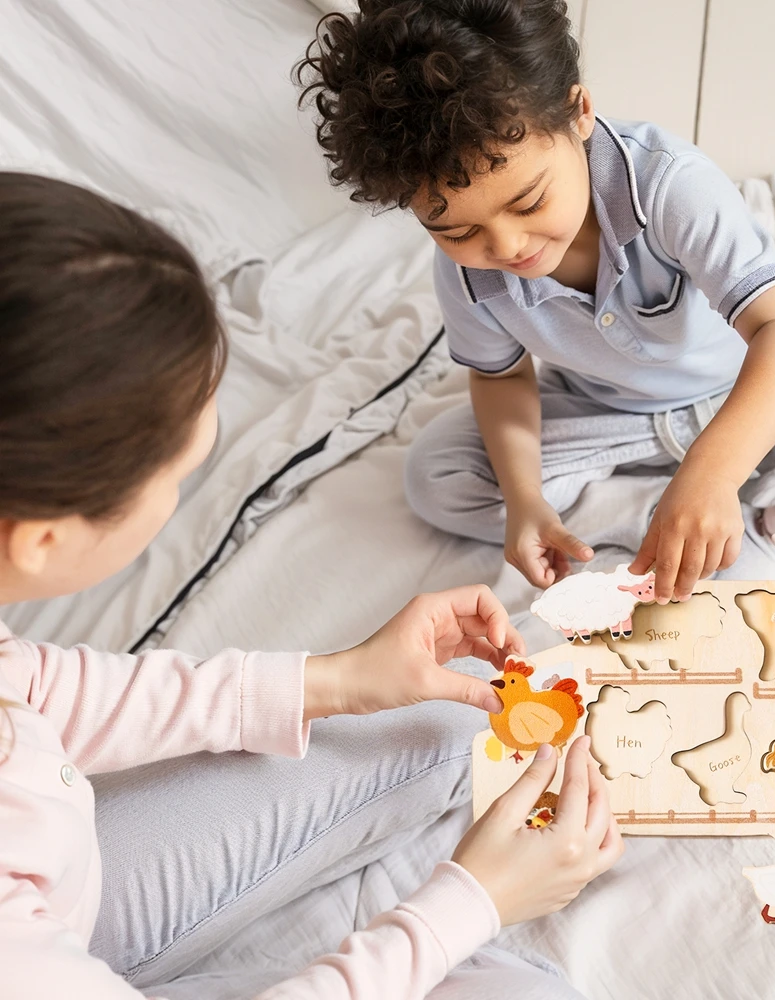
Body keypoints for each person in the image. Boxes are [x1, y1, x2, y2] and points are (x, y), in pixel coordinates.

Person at [0, 172, 621, 999]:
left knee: (446, 705)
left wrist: (337, 680)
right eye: (177, 475)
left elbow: (34, 688)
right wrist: (466, 906)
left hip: (58, 894)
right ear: (44, 539)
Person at [297, 0, 775, 602]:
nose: (507, 245)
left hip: (772, 382)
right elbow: (500, 376)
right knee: (436, 476)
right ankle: (662, 515)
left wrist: (714, 471)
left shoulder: (666, 184)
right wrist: (525, 502)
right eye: (458, 231)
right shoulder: (467, 274)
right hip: (619, 413)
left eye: (529, 200)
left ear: (579, 114)